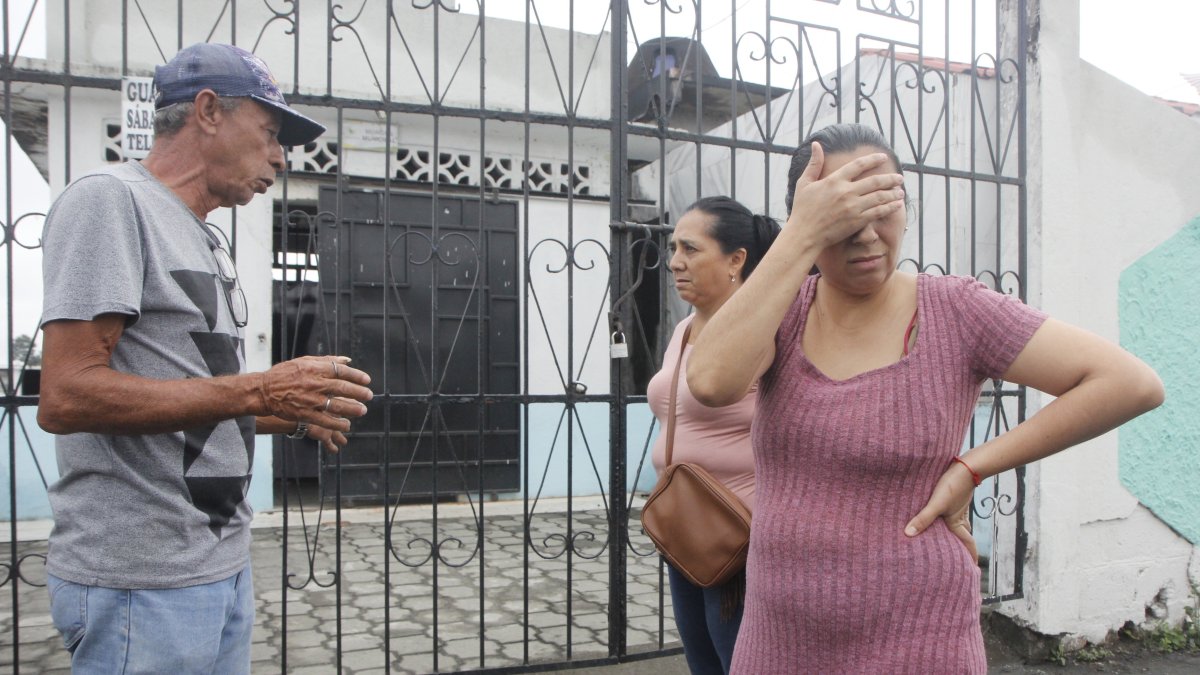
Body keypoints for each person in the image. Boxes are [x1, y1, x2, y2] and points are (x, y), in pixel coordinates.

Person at [685, 123, 1165, 673]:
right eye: (843, 214)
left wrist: (972, 468)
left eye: (883, 205)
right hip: (778, 638)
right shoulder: (783, 311)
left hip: (919, 636)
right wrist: (799, 237)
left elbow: (1130, 384)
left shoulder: (958, 311)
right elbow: (711, 382)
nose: (866, 234)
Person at [37, 43, 374, 674]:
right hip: (143, 577)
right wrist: (260, 393)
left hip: (215, 560)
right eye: (271, 132)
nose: (280, 155)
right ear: (209, 110)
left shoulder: (201, 231)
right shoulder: (110, 201)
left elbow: (185, 396)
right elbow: (66, 395)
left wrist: (289, 414)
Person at [647, 196, 779, 674]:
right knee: (702, 662)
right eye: (673, 248)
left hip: (737, 534)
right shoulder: (684, 328)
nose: (674, 262)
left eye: (690, 248)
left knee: (737, 661)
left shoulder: (761, 328)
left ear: (736, 260)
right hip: (684, 527)